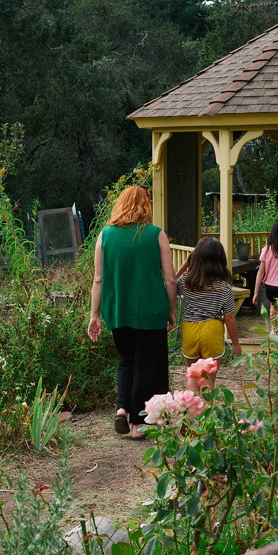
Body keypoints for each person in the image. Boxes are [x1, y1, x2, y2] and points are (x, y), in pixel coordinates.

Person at [88, 186, 177, 440]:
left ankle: (122, 408)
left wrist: (94, 315)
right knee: (146, 365)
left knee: (127, 360)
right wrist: (171, 310)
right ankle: (137, 424)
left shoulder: (104, 236)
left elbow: (98, 280)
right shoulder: (156, 235)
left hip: (118, 312)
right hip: (150, 311)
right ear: (145, 206)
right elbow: (170, 279)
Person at [175, 237, 242, 391]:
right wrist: (236, 345)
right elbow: (229, 318)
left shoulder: (186, 281)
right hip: (212, 331)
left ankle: (190, 412)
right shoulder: (224, 288)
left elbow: (172, 282)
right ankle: (206, 413)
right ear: (220, 260)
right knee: (208, 382)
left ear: (195, 258)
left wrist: (186, 264)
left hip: (190, 329)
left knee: (193, 375)